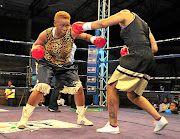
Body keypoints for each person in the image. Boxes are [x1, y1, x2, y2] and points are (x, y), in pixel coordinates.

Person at [72, 9, 168, 134]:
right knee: (133, 95)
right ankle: (159, 119)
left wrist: (83, 26)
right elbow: (154, 48)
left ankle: (113, 125)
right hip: (149, 59)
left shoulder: (125, 15)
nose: (120, 24)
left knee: (111, 86)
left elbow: (102, 24)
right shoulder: (145, 26)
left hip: (137, 57)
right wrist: (130, 49)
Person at [17, 11, 106, 129]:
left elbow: (84, 36)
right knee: (41, 88)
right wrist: (36, 49)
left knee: (78, 88)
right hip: (47, 63)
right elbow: (36, 44)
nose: (65, 28)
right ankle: (24, 119)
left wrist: (94, 39)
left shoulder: (72, 32)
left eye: (67, 25)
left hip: (65, 65)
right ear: (55, 24)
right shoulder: (46, 34)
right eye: (62, 25)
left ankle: (81, 118)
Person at [48, 43, 77, 112]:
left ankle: (74, 104)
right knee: (74, 84)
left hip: (62, 65)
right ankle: (52, 106)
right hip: (65, 65)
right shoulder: (66, 42)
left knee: (72, 84)